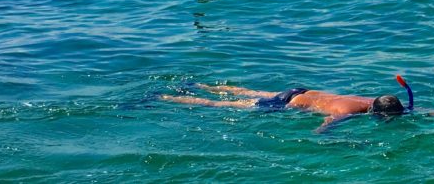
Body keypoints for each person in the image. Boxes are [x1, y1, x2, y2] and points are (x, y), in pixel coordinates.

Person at [161, 76, 413, 133]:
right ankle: (169, 97)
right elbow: (329, 121)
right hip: (286, 104)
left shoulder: (373, 101)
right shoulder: (349, 111)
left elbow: (403, 109)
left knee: (243, 91)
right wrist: (321, 134)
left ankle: (199, 83)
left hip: (300, 90)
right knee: (226, 105)